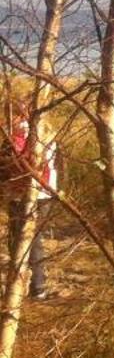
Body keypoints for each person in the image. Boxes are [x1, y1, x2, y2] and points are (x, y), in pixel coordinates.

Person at [5, 92, 57, 300]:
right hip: (44, 192)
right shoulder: (46, 133)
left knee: (23, 239)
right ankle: (33, 285)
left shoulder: (16, 139)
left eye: (8, 115)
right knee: (31, 239)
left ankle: (34, 287)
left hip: (24, 194)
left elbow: (12, 169)